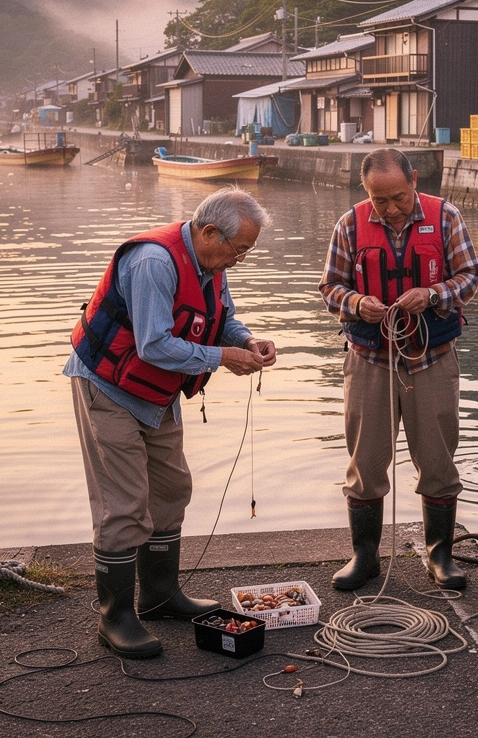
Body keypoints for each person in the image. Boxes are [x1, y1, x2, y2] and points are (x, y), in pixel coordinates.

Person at [64, 188, 277, 658]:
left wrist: (247, 340)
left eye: (247, 252)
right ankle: (115, 618)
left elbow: (224, 320)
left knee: (171, 488)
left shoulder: (211, 265)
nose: (240, 260)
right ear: (208, 232)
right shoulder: (152, 262)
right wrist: (223, 357)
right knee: (123, 503)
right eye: (238, 249)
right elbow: (154, 345)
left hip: (156, 393)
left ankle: (159, 595)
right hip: (109, 387)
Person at [319, 148, 478, 590]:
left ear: (414, 181)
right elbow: (330, 286)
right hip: (369, 359)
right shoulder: (349, 225)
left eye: (398, 197)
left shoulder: (446, 217)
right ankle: (365, 556)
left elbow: (469, 275)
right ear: (366, 192)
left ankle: (440, 554)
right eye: (379, 200)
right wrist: (356, 303)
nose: (390, 208)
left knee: (437, 459)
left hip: (432, 360)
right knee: (365, 462)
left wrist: (432, 295)